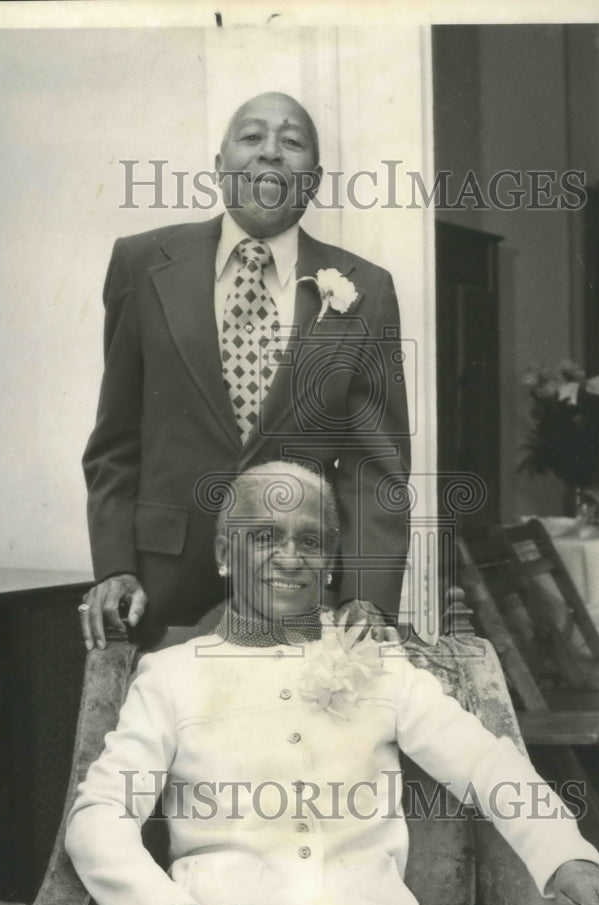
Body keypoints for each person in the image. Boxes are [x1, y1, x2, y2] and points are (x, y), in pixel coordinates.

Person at [66, 461, 599, 905]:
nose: (290, 557)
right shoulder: (170, 676)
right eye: (264, 537)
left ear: (331, 558)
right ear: (224, 552)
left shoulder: (378, 663)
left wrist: (565, 855)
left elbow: (487, 765)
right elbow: (99, 815)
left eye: (310, 541)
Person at [80, 92, 410, 650]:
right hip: (161, 589)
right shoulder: (142, 263)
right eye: (252, 137)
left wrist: (366, 595)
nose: (272, 153)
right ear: (219, 164)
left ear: (315, 177)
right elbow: (115, 440)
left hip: (297, 588)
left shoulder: (367, 289)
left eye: (293, 141)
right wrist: (115, 566)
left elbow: (374, 469)